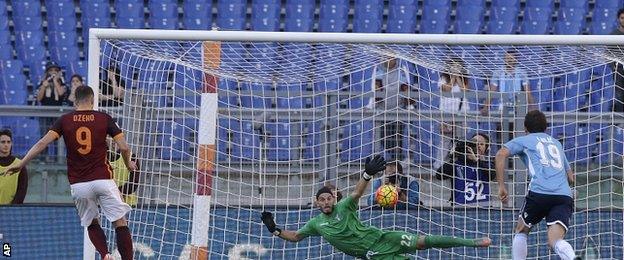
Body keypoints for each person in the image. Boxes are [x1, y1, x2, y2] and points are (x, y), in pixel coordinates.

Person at [261, 155, 491, 259]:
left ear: (333, 198)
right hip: (371, 254)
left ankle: (471, 242)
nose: (326, 202)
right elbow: (295, 237)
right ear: (317, 203)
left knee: (422, 241)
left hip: (382, 237)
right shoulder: (316, 223)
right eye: (321, 200)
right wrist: (275, 230)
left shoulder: (344, 206)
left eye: (328, 199)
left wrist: (367, 174)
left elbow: (358, 192)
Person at [2, 86, 136, 260]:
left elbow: (42, 144)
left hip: (79, 184)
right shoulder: (104, 118)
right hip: (103, 179)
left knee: (92, 222)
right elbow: (124, 148)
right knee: (119, 221)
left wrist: (21, 164)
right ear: (93, 101)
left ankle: (104, 254)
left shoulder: (65, 120)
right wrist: (128, 163)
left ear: (75, 101)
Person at [495, 110, 580, 260]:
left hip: (539, 192)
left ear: (525, 129)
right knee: (555, 240)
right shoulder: (556, 143)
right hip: (563, 195)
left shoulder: (524, 140)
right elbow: (571, 177)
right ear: (546, 128)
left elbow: (501, 154)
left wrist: (502, 186)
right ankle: (572, 257)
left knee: (521, 230)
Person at [436, 133, 495, 206]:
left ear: (487, 148)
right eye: (475, 144)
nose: (478, 146)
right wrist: (453, 157)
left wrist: (476, 160)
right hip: (460, 209)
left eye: (481, 144)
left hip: (483, 208)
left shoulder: (488, 164)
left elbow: (492, 175)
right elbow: (439, 175)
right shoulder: (457, 163)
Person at [481, 50, 535, 115]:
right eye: (507, 58)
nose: (509, 60)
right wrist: (486, 107)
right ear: (504, 59)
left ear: (516, 60)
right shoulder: (498, 72)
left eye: (512, 58)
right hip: (502, 102)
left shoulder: (522, 72)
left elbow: (527, 91)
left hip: (517, 102)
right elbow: (492, 91)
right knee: (501, 115)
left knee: (520, 110)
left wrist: (532, 107)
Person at [0, 129, 28, 204]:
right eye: (3, 142)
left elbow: (21, 191)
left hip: (11, 211)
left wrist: (12, 209)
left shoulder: (19, 165)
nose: (6, 145)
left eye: (8, 142)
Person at [610, 8, 624, 112]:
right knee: (619, 95)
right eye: (622, 18)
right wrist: (613, 67)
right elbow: (607, 53)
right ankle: (619, 122)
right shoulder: (613, 35)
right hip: (618, 70)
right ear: (618, 19)